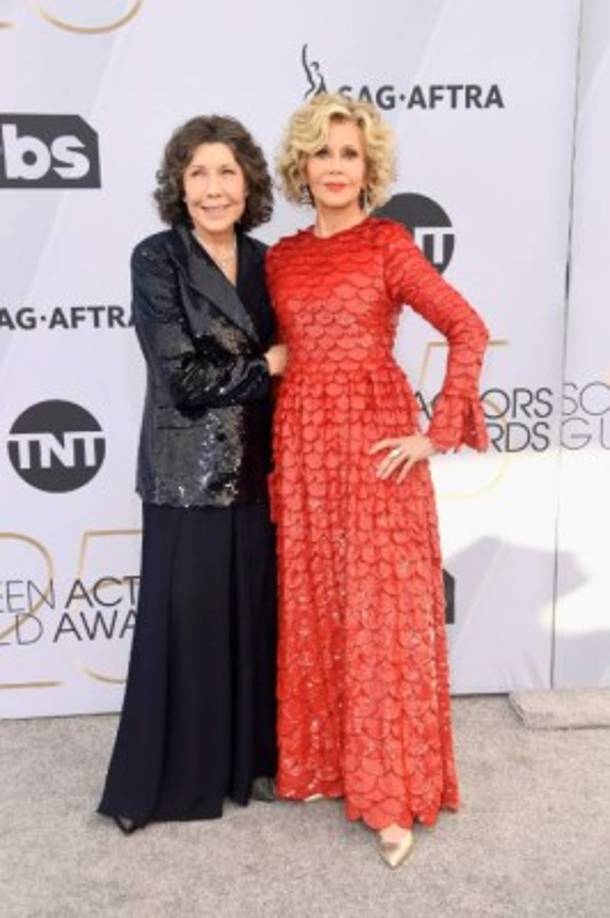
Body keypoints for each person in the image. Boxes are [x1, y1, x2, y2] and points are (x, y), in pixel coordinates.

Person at [266, 93, 489, 867]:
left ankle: (392, 791)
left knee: (382, 612)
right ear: (302, 162)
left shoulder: (388, 244)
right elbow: (287, 347)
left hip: (373, 446)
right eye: (322, 152)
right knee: (319, 602)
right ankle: (329, 764)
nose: (335, 167)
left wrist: (439, 430)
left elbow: (467, 326)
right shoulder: (281, 257)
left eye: (349, 154)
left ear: (369, 166)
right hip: (302, 447)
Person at [98, 115, 287, 831]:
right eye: (199, 173)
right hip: (185, 471)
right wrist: (265, 367)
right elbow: (181, 378)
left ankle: (245, 766)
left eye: (227, 173)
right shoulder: (157, 259)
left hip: (262, 474)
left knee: (247, 624)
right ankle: (154, 786)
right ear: (180, 185)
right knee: (178, 629)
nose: (214, 189)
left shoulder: (271, 261)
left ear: (249, 184)